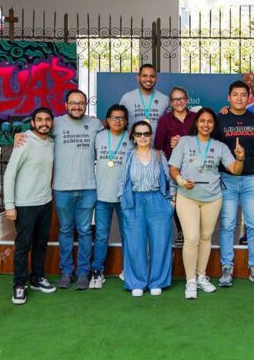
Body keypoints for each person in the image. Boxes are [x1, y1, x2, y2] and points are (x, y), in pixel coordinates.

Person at [169, 107, 245, 299]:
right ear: (196, 123)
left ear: (214, 125)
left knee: (205, 238)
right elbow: (173, 168)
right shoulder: (185, 141)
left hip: (212, 198)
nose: (206, 124)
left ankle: (201, 276)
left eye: (210, 121)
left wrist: (240, 158)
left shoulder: (220, 146)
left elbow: (235, 170)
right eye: (202, 121)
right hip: (187, 196)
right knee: (191, 238)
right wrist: (181, 181)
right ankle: (190, 281)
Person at [215, 80, 254, 288]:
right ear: (228, 97)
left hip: (252, 178)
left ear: (248, 98)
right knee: (228, 225)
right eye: (235, 94)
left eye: (243, 95)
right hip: (227, 178)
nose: (239, 98)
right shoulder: (219, 119)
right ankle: (227, 268)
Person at [52, 90, 104, 290]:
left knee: (84, 231)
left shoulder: (95, 124)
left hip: (88, 188)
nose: (77, 106)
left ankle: (83, 273)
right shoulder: (55, 123)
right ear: (66, 105)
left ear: (86, 105)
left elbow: (112, 137)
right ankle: (66, 272)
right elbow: (35, 131)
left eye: (81, 103)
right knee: (65, 230)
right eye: (73, 103)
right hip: (62, 188)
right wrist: (19, 135)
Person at [4, 107, 56, 305]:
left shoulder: (51, 143)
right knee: (23, 245)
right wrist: (9, 205)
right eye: (39, 120)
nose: (44, 123)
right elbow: (10, 174)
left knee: (41, 242)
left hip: (45, 202)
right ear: (33, 123)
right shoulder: (24, 141)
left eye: (47, 119)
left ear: (51, 123)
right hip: (25, 204)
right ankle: (19, 284)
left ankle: (37, 278)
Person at [118, 121, 176, 297]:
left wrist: (171, 203)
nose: (143, 137)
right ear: (133, 137)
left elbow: (170, 181)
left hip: (157, 200)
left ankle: (157, 281)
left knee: (160, 242)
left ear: (151, 136)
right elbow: (121, 183)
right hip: (134, 201)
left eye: (146, 133)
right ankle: (137, 281)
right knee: (134, 243)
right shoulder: (128, 157)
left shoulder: (159, 155)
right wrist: (124, 205)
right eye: (139, 134)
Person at [90, 104, 133, 289]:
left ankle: (129, 270)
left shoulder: (132, 139)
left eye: (121, 118)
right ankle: (97, 271)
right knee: (101, 235)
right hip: (102, 195)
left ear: (126, 121)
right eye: (114, 117)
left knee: (127, 235)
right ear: (107, 120)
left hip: (124, 196)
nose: (117, 121)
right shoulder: (98, 137)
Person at [153, 86, 197, 246]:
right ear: (171, 102)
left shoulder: (196, 117)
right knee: (177, 201)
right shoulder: (164, 120)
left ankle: (192, 232)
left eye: (182, 98)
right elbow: (158, 147)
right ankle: (181, 231)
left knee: (193, 201)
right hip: (173, 169)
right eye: (175, 99)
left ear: (187, 100)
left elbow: (205, 139)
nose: (179, 102)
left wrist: (184, 142)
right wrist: (161, 170)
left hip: (194, 167)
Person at [119, 64, 169, 134]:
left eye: (152, 76)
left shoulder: (165, 99)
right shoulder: (127, 98)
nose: (148, 79)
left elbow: (170, 124)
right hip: (133, 140)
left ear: (156, 78)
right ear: (138, 78)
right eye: (144, 76)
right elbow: (119, 120)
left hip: (158, 141)